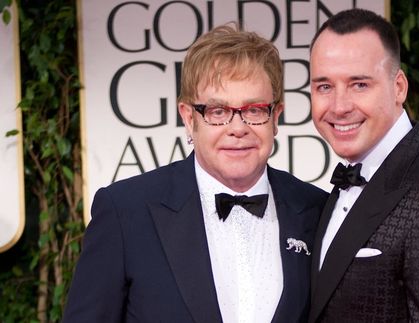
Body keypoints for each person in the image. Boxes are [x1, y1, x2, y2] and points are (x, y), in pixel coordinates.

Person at [63, 23, 327, 323]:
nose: (238, 128)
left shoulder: (317, 210)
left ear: (275, 116)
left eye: (254, 110)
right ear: (189, 119)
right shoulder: (126, 212)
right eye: (218, 111)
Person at [307, 9, 419, 323]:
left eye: (359, 85)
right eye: (324, 86)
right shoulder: (349, 180)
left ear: (399, 88)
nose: (339, 106)